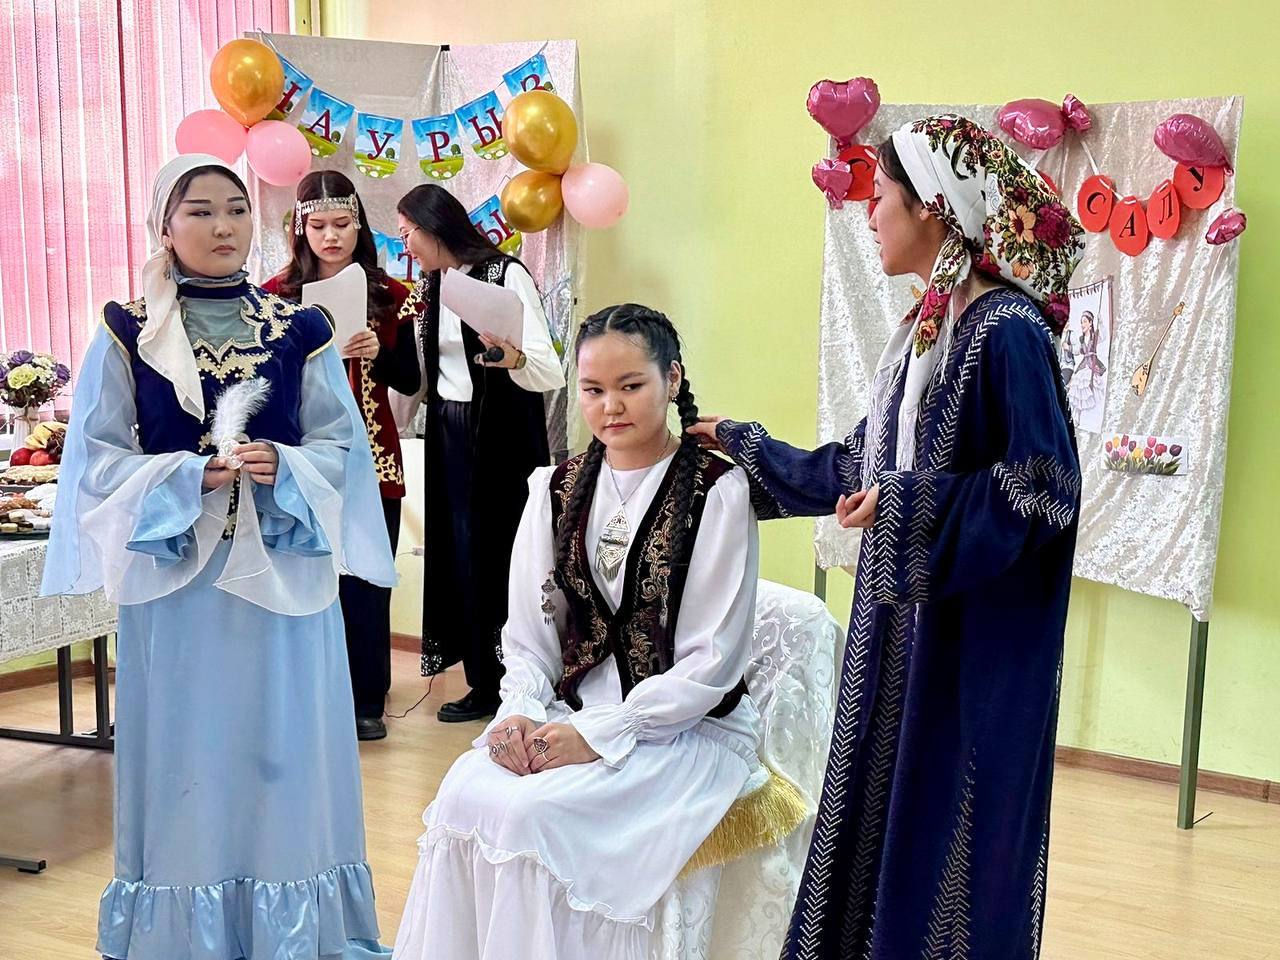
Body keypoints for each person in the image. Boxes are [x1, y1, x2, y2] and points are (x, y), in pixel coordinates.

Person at [690, 115, 1085, 959]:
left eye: (883, 198)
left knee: (953, 845)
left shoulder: (1006, 331)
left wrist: (909, 505)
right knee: (881, 823)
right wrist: (740, 449)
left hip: (970, 654)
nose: (869, 216)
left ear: (933, 207)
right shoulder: (930, 331)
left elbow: (1044, 487)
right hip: (901, 642)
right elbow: (860, 467)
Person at [42, 154, 396, 960]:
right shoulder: (127, 331)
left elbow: (341, 447)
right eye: (198, 210)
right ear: (164, 227)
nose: (223, 226)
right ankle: (186, 932)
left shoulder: (301, 329)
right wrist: (183, 475)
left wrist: (287, 465)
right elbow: (95, 461)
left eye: (236, 208)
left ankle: (294, 929)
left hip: (285, 577)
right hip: (178, 585)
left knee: (286, 750)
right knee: (189, 755)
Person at [393, 304, 762, 959]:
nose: (610, 407)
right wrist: (519, 710)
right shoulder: (558, 486)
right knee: (462, 795)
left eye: (631, 385)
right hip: (574, 708)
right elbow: (532, 630)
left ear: (673, 378)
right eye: (593, 390)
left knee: (532, 816)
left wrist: (601, 734)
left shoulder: (718, 489)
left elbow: (713, 659)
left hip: (683, 725)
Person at [396, 183, 565, 722]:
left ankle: (520, 678)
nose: (406, 245)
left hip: (501, 436)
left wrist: (513, 357)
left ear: (434, 227)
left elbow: (548, 367)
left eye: (409, 233)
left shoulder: (504, 274)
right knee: (459, 554)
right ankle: (481, 680)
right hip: (449, 432)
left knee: (505, 553)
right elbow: (421, 376)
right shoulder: (427, 290)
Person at [263, 170, 420, 741]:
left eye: (342, 224)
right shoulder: (275, 295)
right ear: (301, 230)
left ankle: (366, 698)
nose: (331, 237)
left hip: (373, 458)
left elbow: (412, 380)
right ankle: (306, 693)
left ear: (360, 226)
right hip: (300, 458)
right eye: (319, 226)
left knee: (367, 576)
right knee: (302, 573)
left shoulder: (391, 295)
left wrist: (381, 350)